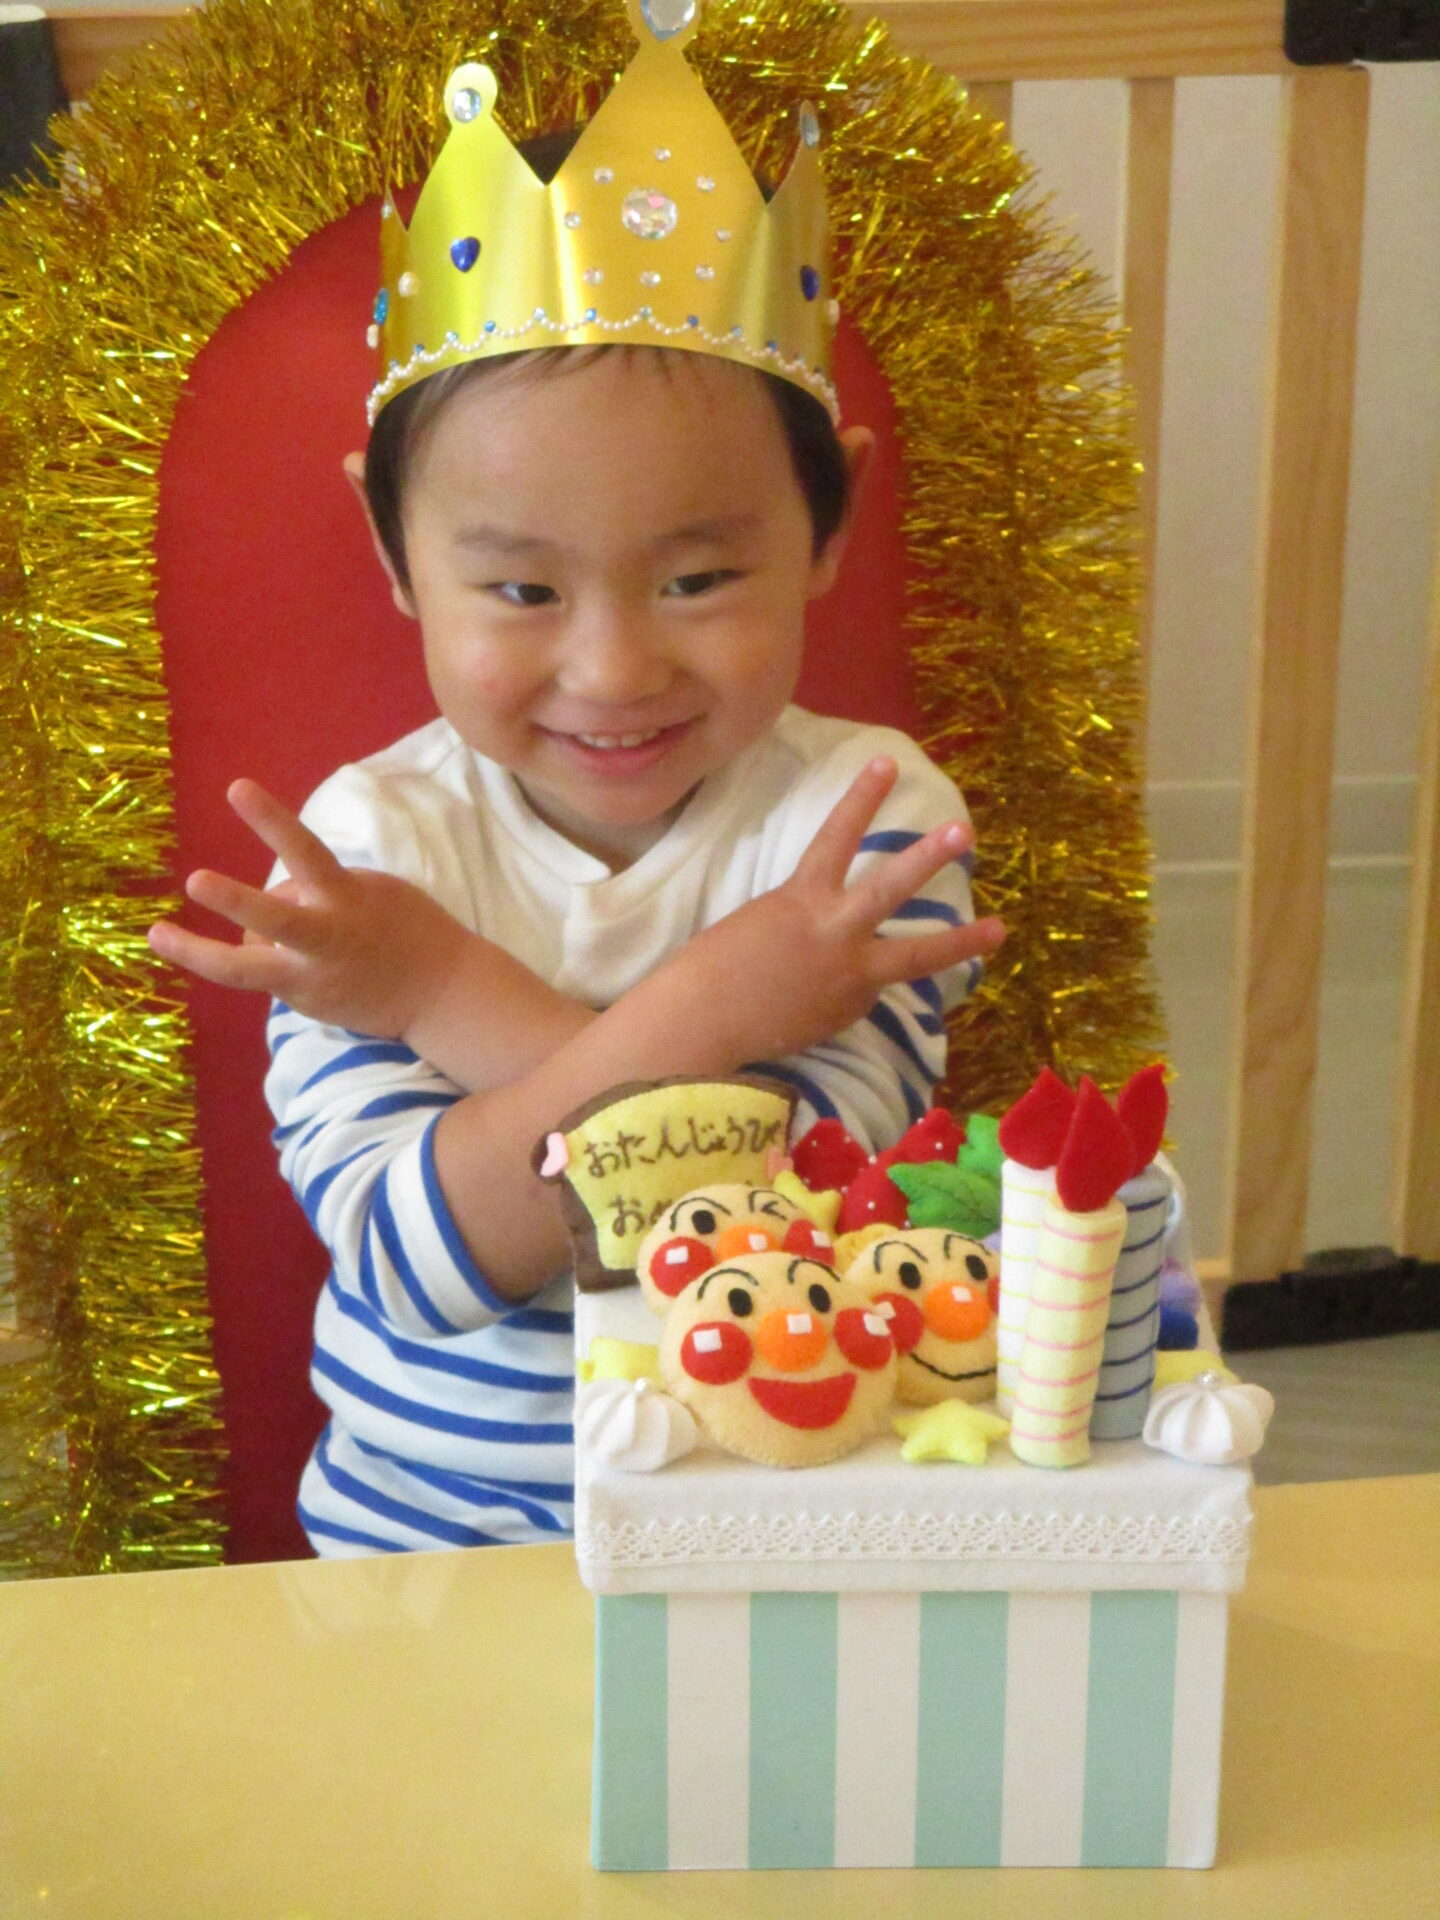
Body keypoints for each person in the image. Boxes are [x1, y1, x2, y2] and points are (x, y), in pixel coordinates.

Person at [146, 34, 1006, 1556]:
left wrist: (440, 998)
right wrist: (716, 1005)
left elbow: (767, 1218)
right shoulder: (361, 861)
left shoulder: (865, 817)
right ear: (393, 551)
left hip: (781, 1525)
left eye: (698, 578)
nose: (612, 670)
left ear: (830, 525)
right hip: (425, 1543)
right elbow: (419, 1261)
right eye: (524, 589)